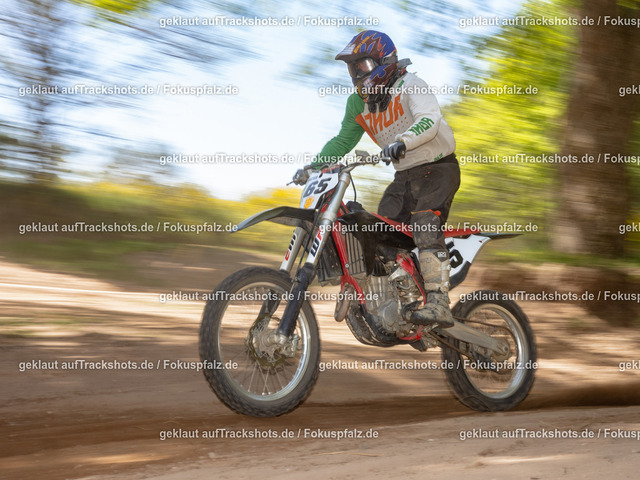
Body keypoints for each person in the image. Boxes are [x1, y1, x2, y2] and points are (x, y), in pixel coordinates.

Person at [295, 30, 460, 328]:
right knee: (378, 232)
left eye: (363, 65)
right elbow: (342, 141)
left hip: (438, 168)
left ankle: (438, 302)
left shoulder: (411, 85)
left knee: (424, 222)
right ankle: (399, 300)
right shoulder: (358, 103)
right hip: (404, 176)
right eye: (353, 68)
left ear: (385, 61)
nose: (358, 74)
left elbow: (429, 120)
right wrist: (314, 166)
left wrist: (403, 141)